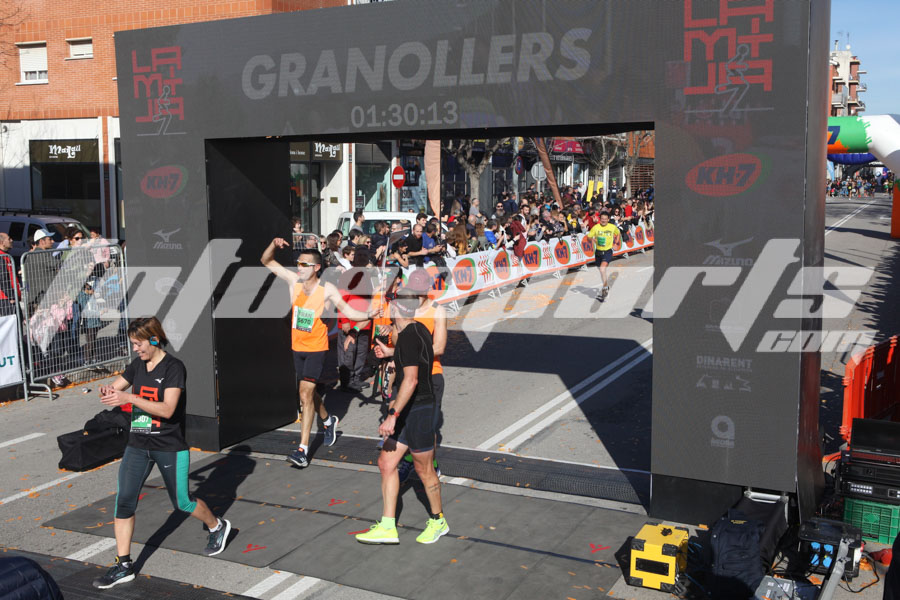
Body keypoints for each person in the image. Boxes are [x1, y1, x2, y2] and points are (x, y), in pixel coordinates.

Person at [92, 317, 231, 589]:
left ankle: (217, 526)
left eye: (138, 344)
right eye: (133, 344)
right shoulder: (138, 365)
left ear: (154, 339)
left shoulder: (174, 367)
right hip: (138, 444)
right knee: (124, 501)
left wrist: (129, 398)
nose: (135, 349)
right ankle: (124, 565)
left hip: (169, 446)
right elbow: (116, 388)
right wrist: (107, 391)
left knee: (183, 502)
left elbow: (168, 410)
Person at [261, 239, 379, 468]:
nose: (299, 267)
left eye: (304, 264)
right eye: (298, 263)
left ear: (316, 267)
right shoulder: (293, 281)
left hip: (316, 347)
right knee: (310, 394)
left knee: (304, 394)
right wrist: (273, 244)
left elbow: (349, 311)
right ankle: (328, 420)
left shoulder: (327, 290)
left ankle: (302, 450)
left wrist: (369, 314)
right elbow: (266, 260)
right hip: (298, 347)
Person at [356, 294, 448, 545]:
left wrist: (392, 415)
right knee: (386, 462)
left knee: (424, 469)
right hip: (408, 408)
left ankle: (439, 521)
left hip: (419, 410)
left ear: (396, 309)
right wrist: (390, 351)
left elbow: (412, 379)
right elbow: (411, 356)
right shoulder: (416, 329)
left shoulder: (408, 336)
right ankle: (388, 526)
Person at [378, 270, 447, 486]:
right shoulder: (405, 308)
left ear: (428, 289)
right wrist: (390, 332)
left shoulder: (437, 311)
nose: (416, 294)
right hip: (404, 374)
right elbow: (397, 339)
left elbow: (439, 347)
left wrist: (405, 353)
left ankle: (430, 465)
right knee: (398, 417)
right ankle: (406, 459)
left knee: (426, 427)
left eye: (419, 290)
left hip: (430, 375)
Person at [588, 212, 618, 300]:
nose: (604, 220)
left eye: (605, 219)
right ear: (599, 219)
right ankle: (606, 286)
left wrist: (615, 243)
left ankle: (605, 289)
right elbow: (589, 237)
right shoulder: (596, 227)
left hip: (608, 251)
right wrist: (593, 240)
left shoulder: (612, 227)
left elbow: (618, 234)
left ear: (608, 219)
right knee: (601, 271)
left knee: (602, 269)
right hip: (598, 252)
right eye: (602, 219)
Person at [0, 232, 19, 315]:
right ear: (2, 242)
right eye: (9, 239)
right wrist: (11, 296)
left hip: (9, 296)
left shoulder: (7, 255)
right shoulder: (1, 257)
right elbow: (3, 278)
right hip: (5, 298)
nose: (12, 240)